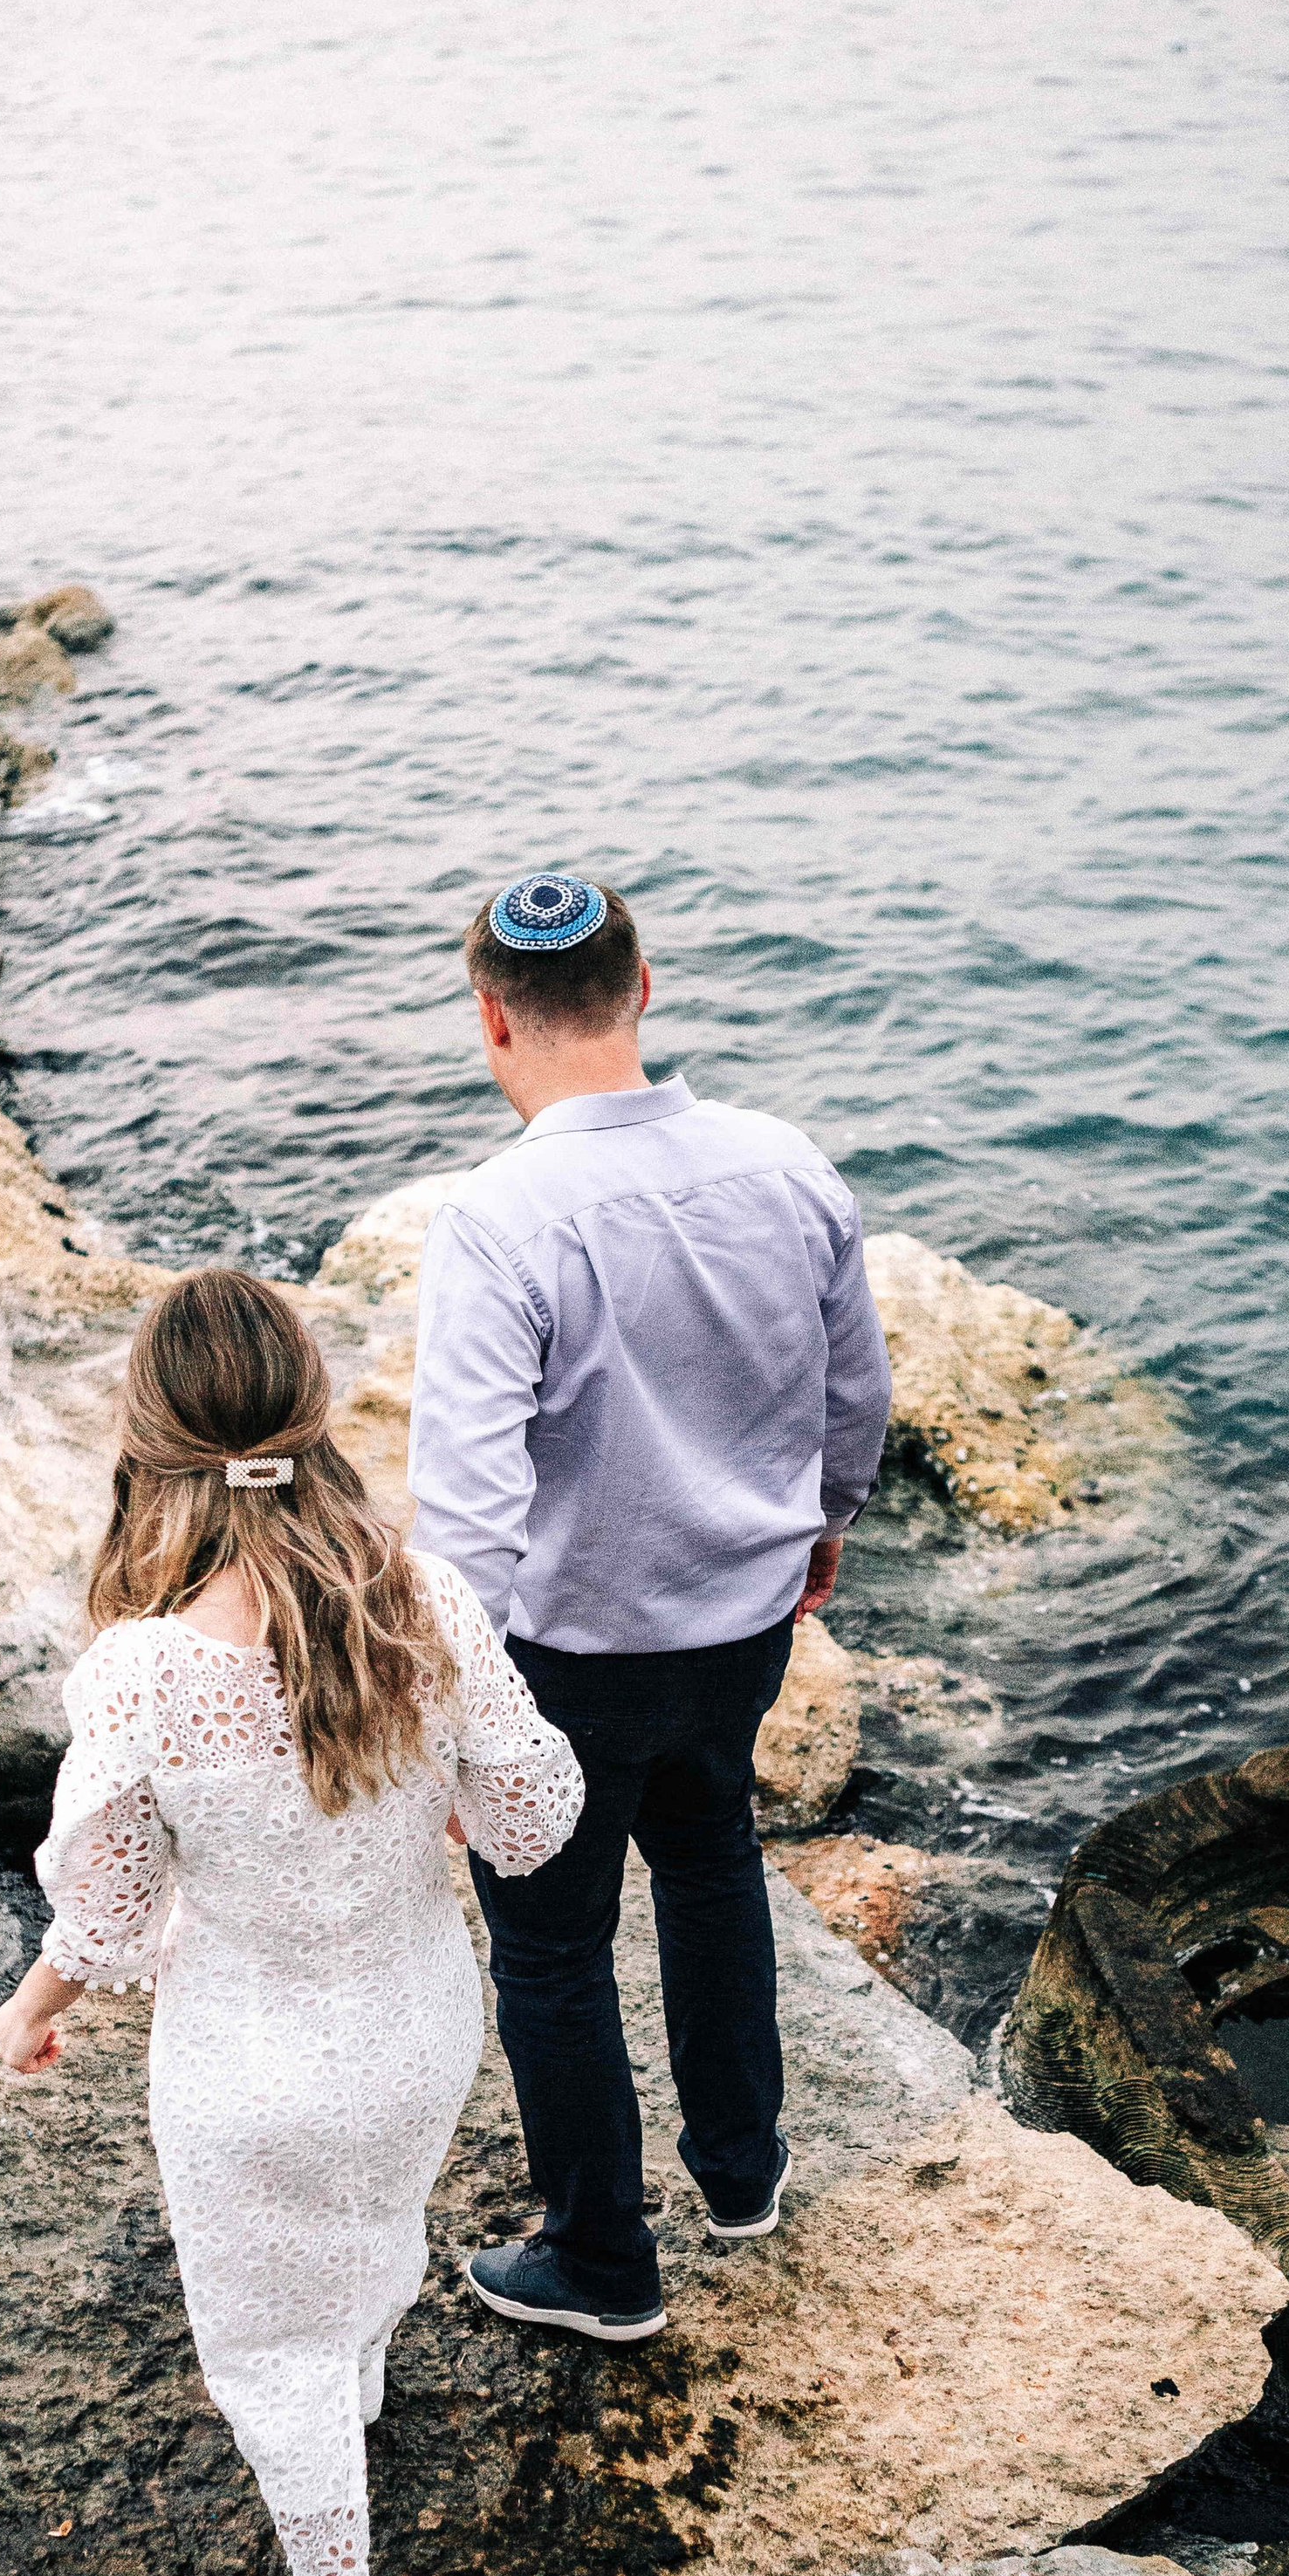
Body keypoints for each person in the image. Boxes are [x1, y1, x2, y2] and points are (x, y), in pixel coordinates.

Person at [0, 1269, 583, 2576]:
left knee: (265, 2353)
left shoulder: (141, 1672)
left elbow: (109, 1919)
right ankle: (360, 2360)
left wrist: (27, 2007)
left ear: (153, 1442)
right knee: (373, 2213)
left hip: (249, 2065)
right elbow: (536, 1815)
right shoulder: (422, 1597)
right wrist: (443, 1799)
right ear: (314, 1416)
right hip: (420, 2025)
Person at [409, 871, 892, 2344]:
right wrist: (826, 1529)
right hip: (738, 1630)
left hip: (567, 1662)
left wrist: (447, 1719)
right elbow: (856, 1397)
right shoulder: (787, 1166)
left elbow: (470, 1522)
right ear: (644, 984)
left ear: (492, 1017)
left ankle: (605, 2264)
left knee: (551, 1952)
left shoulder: (499, 1222)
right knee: (710, 1862)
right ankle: (742, 2175)